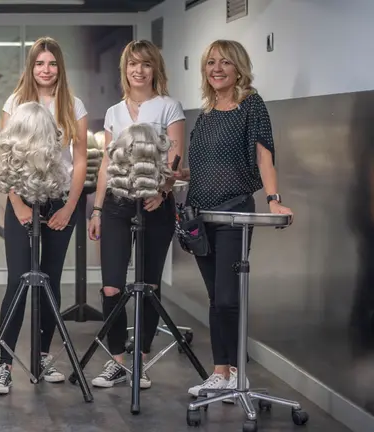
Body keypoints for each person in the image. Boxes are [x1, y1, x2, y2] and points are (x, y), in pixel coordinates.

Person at [178, 40, 293, 399]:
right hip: (200, 215)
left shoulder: (250, 105)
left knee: (228, 298)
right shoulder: (207, 112)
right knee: (215, 298)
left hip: (233, 212)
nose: (217, 68)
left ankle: (237, 371)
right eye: (211, 62)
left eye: (225, 62)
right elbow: (198, 167)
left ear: (239, 68)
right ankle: (221, 372)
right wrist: (169, 178)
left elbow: (264, 157)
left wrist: (273, 200)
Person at [0, 36, 88, 395]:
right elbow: (6, 159)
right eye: (39, 63)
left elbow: (79, 162)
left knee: (49, 282)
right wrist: (17, 204)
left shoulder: (73, 106)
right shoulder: (14, 103)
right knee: (18, 282)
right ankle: (3, 365)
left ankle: (43, 357)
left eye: (52, 64)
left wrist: (69, 208)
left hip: (60, 199)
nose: (46, 70)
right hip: (23, 200)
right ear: (31, 68)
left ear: (60, 67)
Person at [86, 40, 183, 390]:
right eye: (132, 64)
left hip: (155, 205)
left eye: (145, 64)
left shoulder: (169, 107)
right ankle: (117, 362)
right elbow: (107, 165)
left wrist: (163, 192)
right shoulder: (114, 112)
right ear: (124, 70)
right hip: (116, 203)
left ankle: (140, 358)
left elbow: (174, 158)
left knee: (148, 285)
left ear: (155, 68)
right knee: (112, 285)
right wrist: (97, 208)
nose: (138, 70)